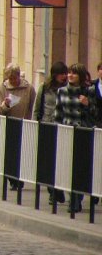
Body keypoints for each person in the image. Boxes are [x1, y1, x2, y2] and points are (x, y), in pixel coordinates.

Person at [56, 63, 97, 213]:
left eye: (74, 73)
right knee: (68, 167)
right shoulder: (62, 91)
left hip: (83, 133)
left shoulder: (89, 91)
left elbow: (95, 113)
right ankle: (72, 199)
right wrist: (57, 130)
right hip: (67, 132)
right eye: (69, 73)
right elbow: (58, 114)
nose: (70, 75)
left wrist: (87, 104)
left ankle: (77, 199)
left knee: (80, 168)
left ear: (81, 76)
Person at [0, 63, 36, 191]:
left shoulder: (28, 88)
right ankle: (12, 178)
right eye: (10, 79)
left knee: (21, 154)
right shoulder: (2, 88)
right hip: (8, 126)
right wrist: (5, 105)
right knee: (9, 154)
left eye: (14, 78)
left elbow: (33, 105)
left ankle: (19, 178)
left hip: (24, 125)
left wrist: (31, 120)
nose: (12, 81)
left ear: (18, 76)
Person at [33, 61, 68, 205]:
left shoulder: (68, 88)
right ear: (55, 75)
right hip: (47, 126)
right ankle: (52, 191)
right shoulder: (44, 88)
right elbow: (37, 108)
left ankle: (58, 190)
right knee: (48, 161)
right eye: (61, 74)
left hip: (62, 127)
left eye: (65, 73)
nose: (64, 76)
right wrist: (35, 124)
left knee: (60, 161)